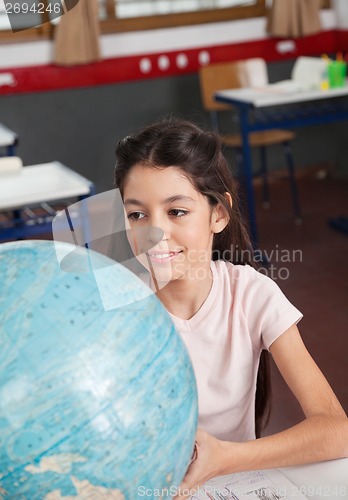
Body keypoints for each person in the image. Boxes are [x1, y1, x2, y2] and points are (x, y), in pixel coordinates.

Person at [114, 117, 348, 497]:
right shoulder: (117, 310)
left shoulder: (252, 295)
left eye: (176, 211)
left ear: (218, 214)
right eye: (137, 214)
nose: (154, 233)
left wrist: (225, 457)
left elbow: (337, 431)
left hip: (239, 484)